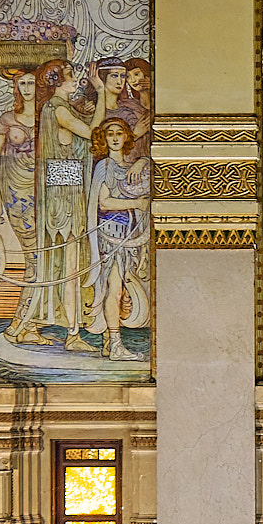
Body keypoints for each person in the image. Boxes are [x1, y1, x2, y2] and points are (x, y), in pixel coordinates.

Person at [29, 58, 108, 352]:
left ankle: (70, 329)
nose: (76, 81)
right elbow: (94, 132)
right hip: (65, 195)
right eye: (70, 77)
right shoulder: (58, 110)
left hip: (66, 189)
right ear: (57, 82)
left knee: (69, 265)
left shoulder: (59, 108)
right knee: (71, 266)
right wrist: (101, 91)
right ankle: (73, 335)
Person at [0, 69, 41, 342]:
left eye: (31, 83)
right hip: (17, 195)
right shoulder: (8, 119)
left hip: (46, 196)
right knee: (34, 258)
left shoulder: (49, 116)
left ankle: (29, 326)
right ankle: (21, 325)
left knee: (44, 259)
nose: (27, 88)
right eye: (22, 83)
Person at [87, 116, 151, 360]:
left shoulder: (130, 166)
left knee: (119, 290)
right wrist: (136, 203)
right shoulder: (104, 166)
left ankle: (109, 343)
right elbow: (104, 203)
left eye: (119, 133)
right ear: (103, 139)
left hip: (128, 234)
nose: (114, 138)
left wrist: (142, 161)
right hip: (111, 233)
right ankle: (115, 346)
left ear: (127, 137)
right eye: (109, 134)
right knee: (113, 289)